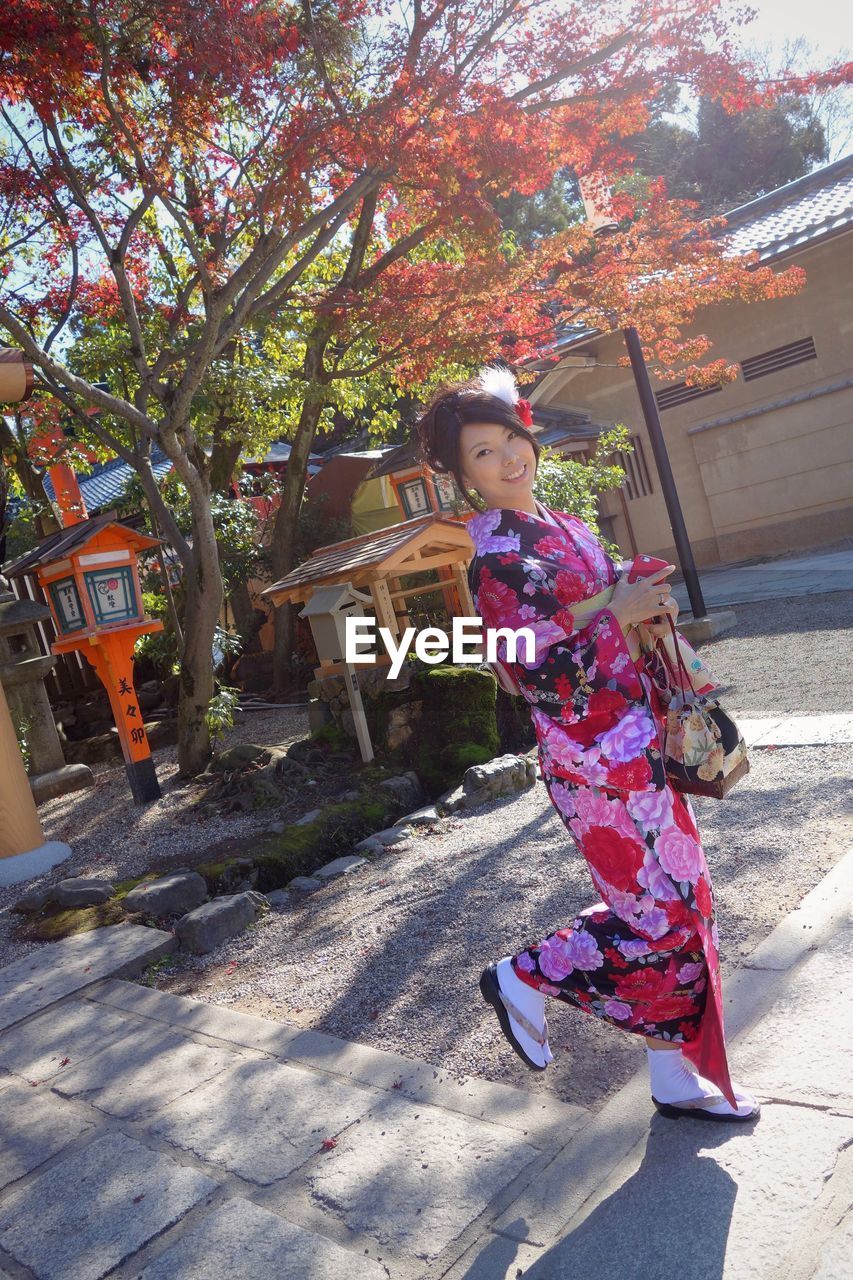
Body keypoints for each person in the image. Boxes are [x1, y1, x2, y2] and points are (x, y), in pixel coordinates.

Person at [414, 365, 759, 1123]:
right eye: (482, 454)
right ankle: (524, 974)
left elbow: (598, 614)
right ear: (462, 477)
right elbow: (525, 668)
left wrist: (638, 605)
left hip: (638, 745)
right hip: (592, 762)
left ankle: (673, 1078)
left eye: (510, 439)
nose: (508, 459)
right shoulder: (497, 557)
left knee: (686, 901)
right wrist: (612, 609)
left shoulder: (562, 527)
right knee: (654, 915)